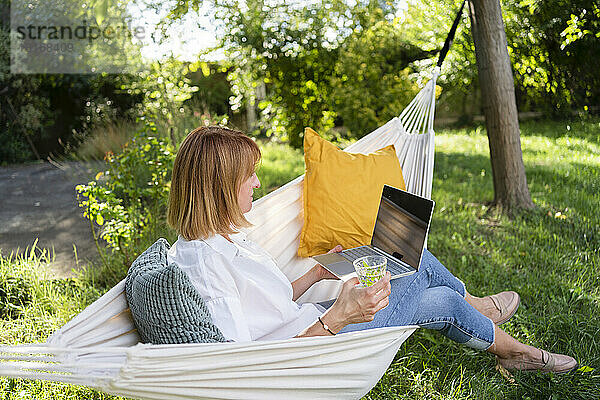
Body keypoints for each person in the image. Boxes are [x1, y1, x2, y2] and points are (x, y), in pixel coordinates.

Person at [166, 126, 577, 374]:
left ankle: (511, 351)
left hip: (314, 322)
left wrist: (316, 276)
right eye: (249, 177)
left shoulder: (219, 237)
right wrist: (337, 318)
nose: (257, 184)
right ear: (219, 187)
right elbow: (248, 366)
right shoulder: (205, 264)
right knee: (408, 258)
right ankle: (489, 315)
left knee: (439, 299)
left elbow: (263, 308)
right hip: (324, 349)